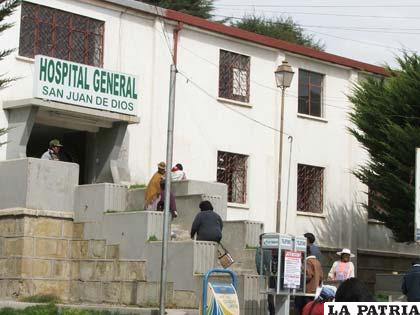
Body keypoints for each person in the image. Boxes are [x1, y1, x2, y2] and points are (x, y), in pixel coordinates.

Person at [295, 246, 323, 315]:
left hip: (306, 292)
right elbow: (321, 277)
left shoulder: (308, 262)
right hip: (315, 292)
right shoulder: (317, 262)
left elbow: (308, 275)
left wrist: (297, 280)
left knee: (303, 310)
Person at [255, 233, 275, 315]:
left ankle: (272, 313)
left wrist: (262, 274)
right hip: (275, 275)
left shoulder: (260, 249)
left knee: (270, 297)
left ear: (261, 240)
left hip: (267, 276)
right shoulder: (273, 249)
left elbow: (258, 263)